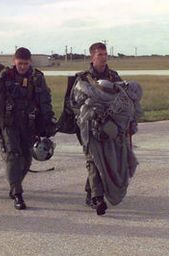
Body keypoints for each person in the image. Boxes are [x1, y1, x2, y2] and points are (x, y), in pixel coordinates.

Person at [70, 42, 142, 215]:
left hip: (112, 128)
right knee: (94, 160)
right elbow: (74, 103)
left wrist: (129, 122)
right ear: (92, 56)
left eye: (105, 53)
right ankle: (98, 198)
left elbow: (125, 101)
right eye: (100, 54)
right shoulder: (82, 79)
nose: (104, 57)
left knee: (108, 160)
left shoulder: (114, 77)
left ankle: (91, 192)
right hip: (90, 127)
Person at [0, 47, 56, 210]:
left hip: (29, 123)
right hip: (9, 122)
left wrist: (48, 120)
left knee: (27, 159)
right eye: (20, 63)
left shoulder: (37, 78)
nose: (22, 67)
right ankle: (17, 194)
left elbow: (44, 100)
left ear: (30, 63)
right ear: (14, 61)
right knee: (13, 155)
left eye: (25, 64)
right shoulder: (5, 76)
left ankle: (15, 184)